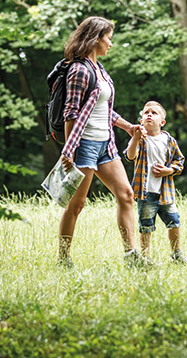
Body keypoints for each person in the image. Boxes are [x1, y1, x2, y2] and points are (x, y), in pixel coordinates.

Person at [58, 16, 145, 267]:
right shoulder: (79, 70)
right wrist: (69, 150)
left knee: (126, 195)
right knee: (77, 204)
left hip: (105, 144)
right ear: (95, 38)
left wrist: (127, 126)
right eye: (109, 38)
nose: (111, 43)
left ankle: (132, 257)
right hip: (84, 145)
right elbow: (71, 112)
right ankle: (64, 258)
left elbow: (102, 109)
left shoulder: (100, 69)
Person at [124, 101, 187, 264]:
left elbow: (179, 160)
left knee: (174, 223)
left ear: (162, 122)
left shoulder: (168, 140)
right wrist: (135, 138)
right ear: (141, 121)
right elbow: (130, 156)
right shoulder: (140, 139)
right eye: (146, 113)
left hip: (165, 192)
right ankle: (145, 257)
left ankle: (176, 253)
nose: (149, 115)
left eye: (154, 113)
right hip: (145, 193)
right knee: (146, 227)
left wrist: (169, 170)